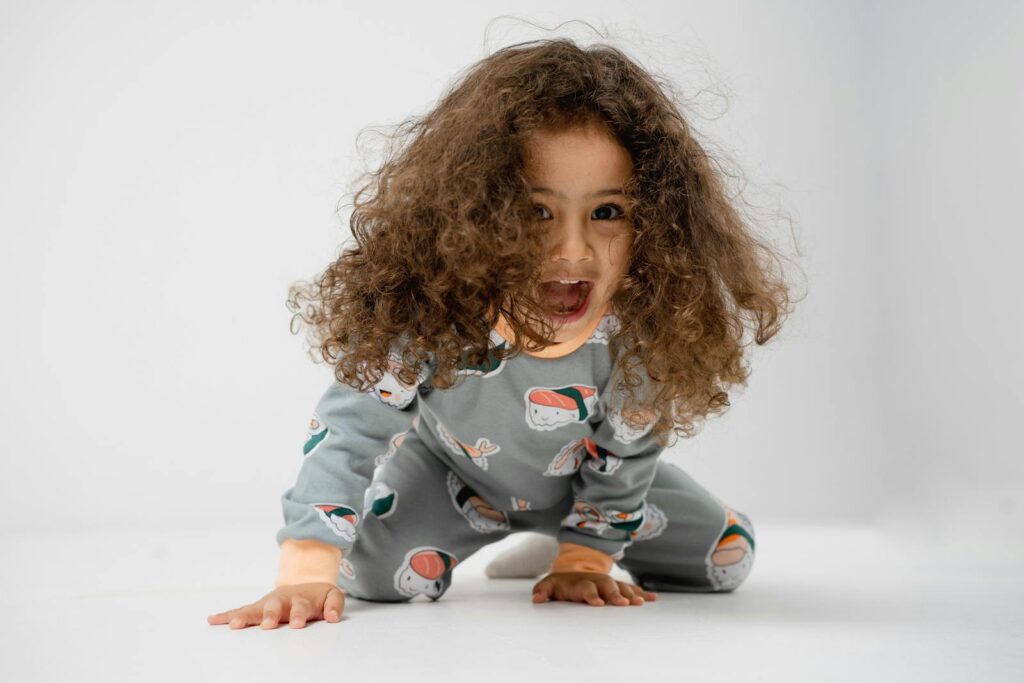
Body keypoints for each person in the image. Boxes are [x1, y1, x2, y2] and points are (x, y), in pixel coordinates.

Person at [208, 36, 795, 630]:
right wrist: (305, 571)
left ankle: (557, 536)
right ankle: (495, 531)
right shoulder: (435, 315)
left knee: (726, 558)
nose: (573, 248)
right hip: (451, 477)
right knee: (375, 577)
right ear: (476, 214)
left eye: (607, 212)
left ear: (655, 225)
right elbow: (350, 430)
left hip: (590, 486)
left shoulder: (639, 334)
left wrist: (585, 555)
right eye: (538, 211)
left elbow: (627, 452)